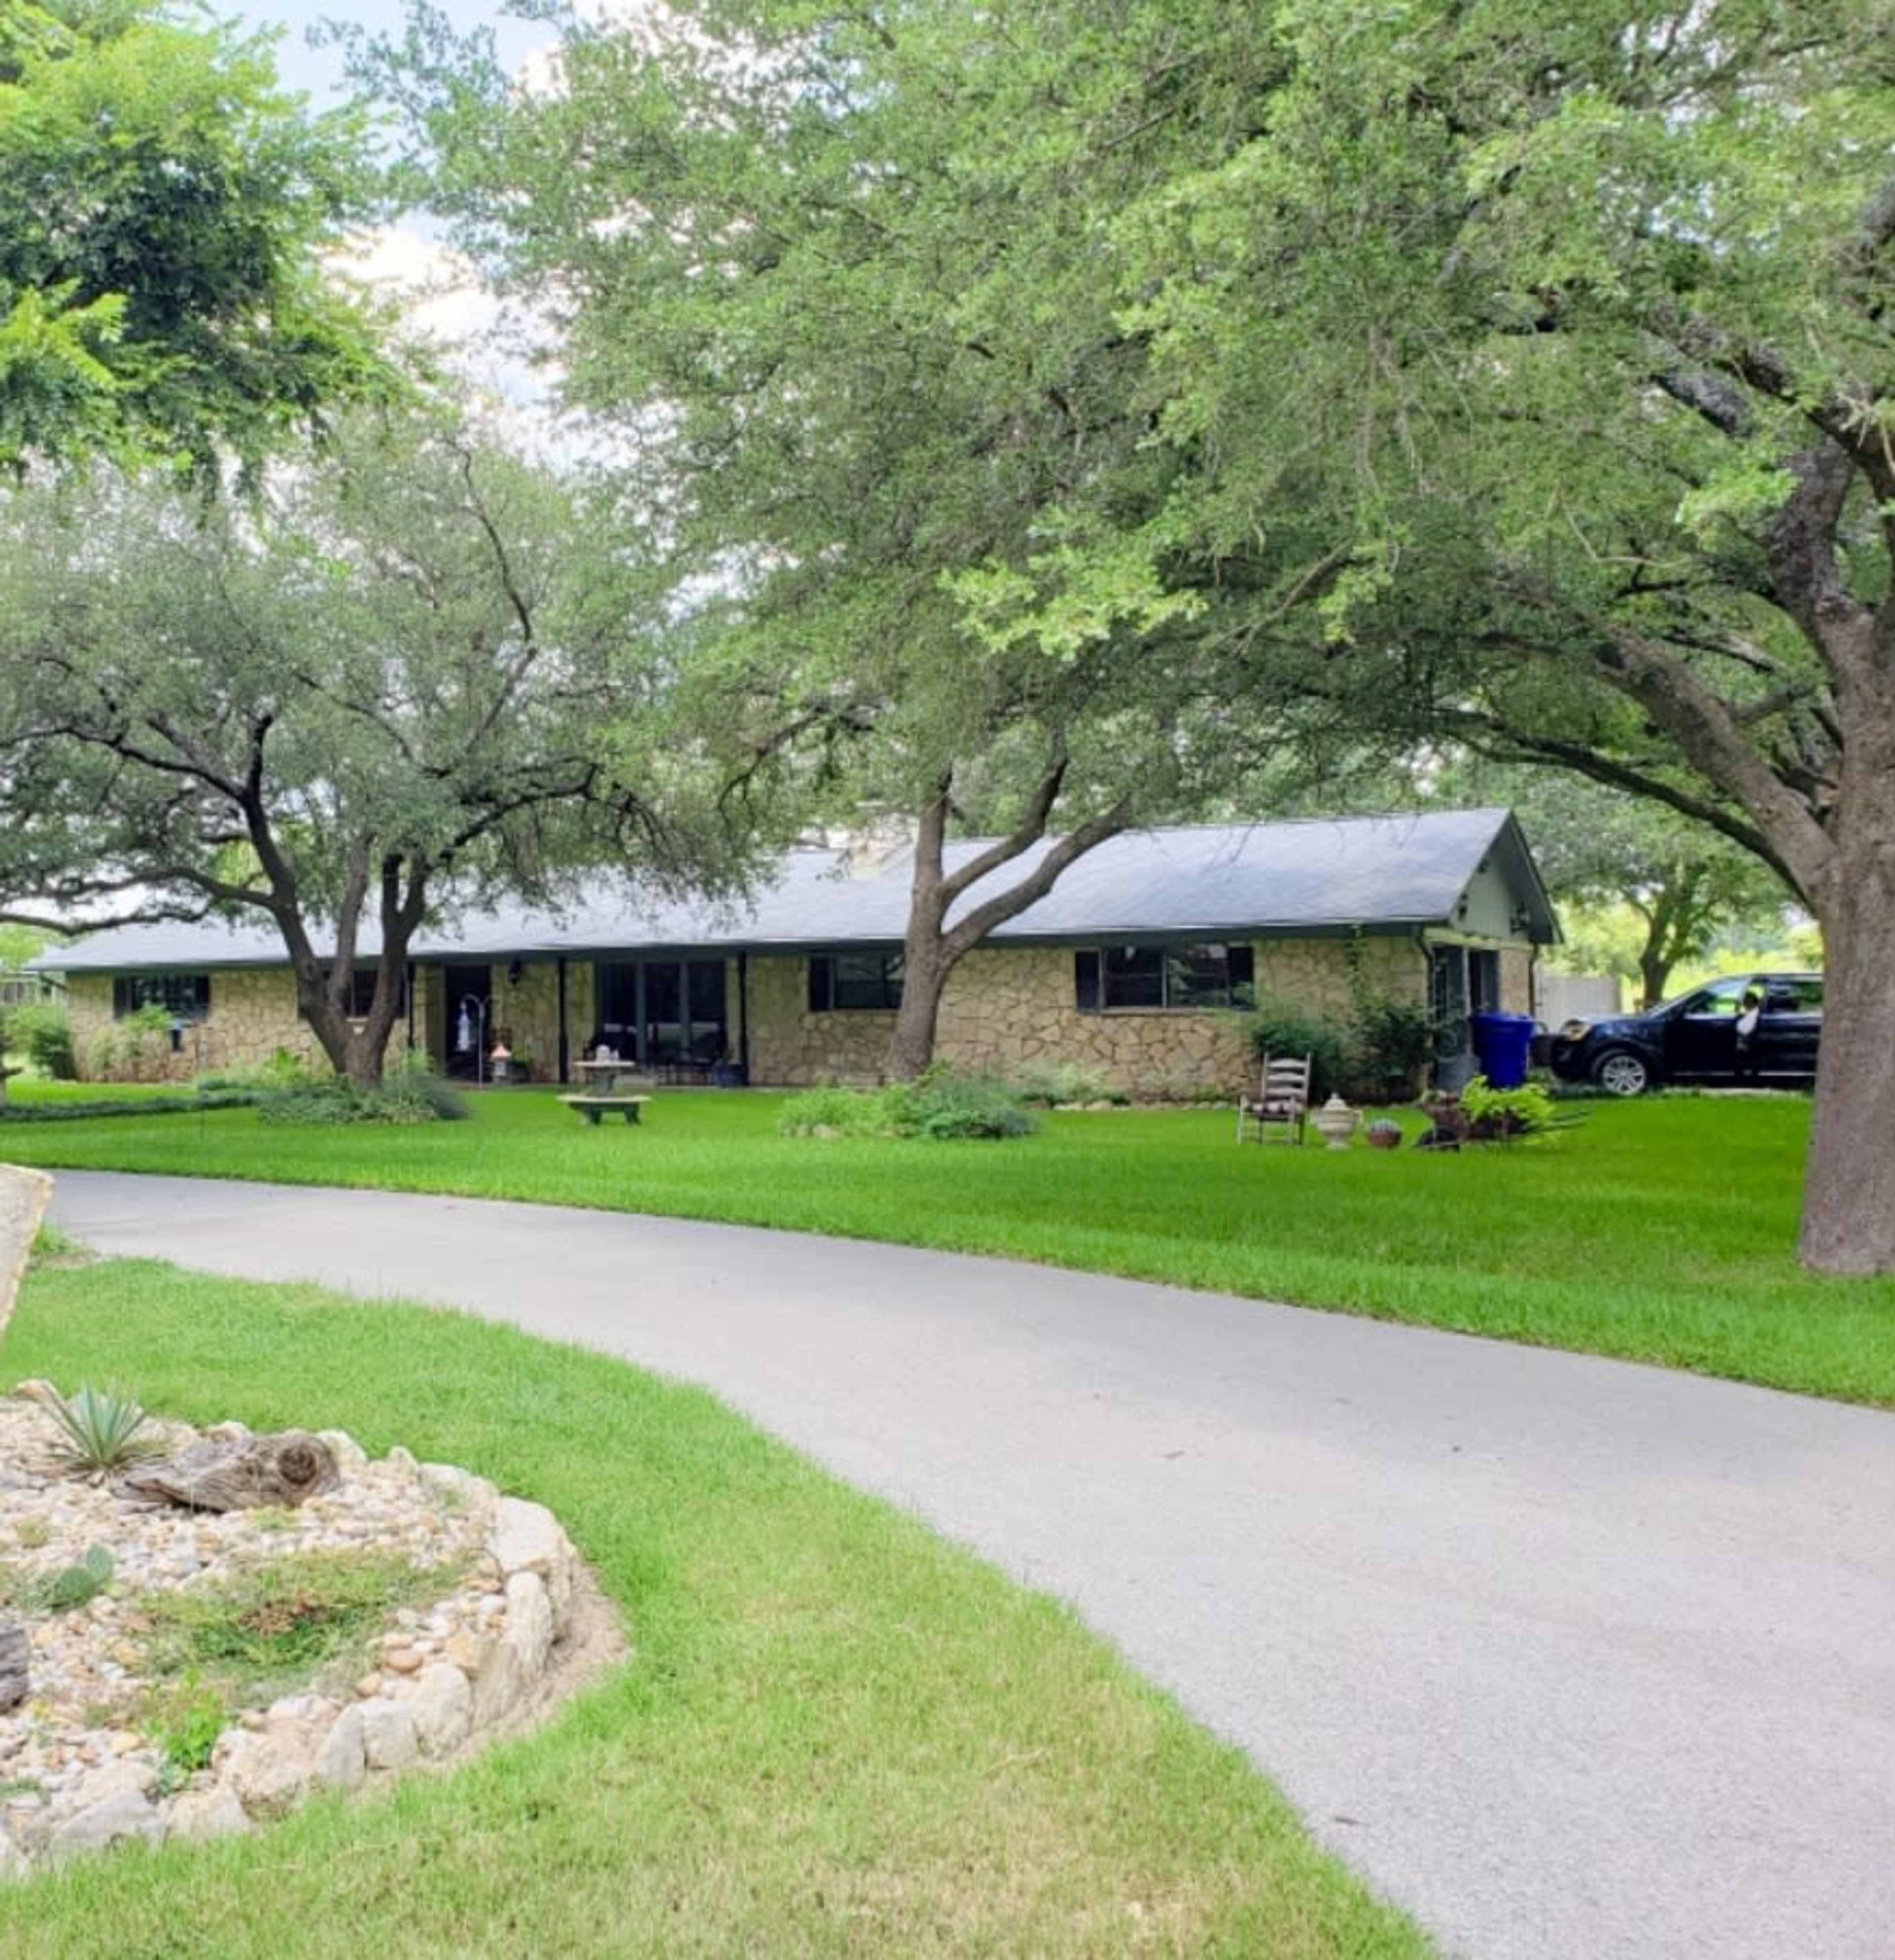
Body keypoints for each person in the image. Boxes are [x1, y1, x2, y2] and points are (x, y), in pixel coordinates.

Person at [1735, 987, 1764, 1084]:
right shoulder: (1752, 1013)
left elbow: (1743, 1030)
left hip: (1749, 1044)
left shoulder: (1753, 1015)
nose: (1743, 1003)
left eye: (1745, 1001)